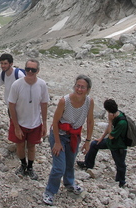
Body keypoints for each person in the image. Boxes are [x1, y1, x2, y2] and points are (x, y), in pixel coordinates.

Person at [43, 75, 94, 206]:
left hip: (74, 136)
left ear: (87, 89)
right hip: (59, 134)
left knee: (70, 163)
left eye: (83, 87)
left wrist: (88, 141)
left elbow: (89, 121)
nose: (79, 89)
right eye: (77, 85)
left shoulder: (89, 101)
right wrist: (57, 143)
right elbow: (54, 121)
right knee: (59, 167)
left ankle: (69, 183)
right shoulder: (64, 101)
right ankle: (50, 191)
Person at [8, 59, 49, 180]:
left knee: (32, 146)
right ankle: (23, 165)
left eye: (33, 70)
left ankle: (30, 167)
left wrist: (45, 124)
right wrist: (16, 126)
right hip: (20, 122)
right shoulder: (17, 85)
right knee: (20, 145)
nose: (30, 72)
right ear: (24, 69)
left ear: (38, 71)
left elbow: (44, 104)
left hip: (35, 122)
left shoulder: (42, 85)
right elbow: (11, 105)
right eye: (28, 69)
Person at [77, 98, 128, 188]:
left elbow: (112, 135)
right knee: (94, 144)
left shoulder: (122, 122)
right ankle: (88, 163)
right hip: (111, 142)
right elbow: (109, 129)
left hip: (118, 146)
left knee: (120, 164)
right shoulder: (115, 114)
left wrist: (110, 121)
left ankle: (121, 181)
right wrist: (101, 138)